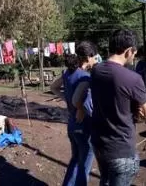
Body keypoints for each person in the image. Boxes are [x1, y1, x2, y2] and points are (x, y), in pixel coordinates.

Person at [90, 29, 146, 186]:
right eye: (134, 53)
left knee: (105, 180)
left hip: (100, 145)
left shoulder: (96, 71)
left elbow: (112, 98)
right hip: (121, 150)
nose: (134, 56)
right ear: (129, 50)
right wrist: (141, 114)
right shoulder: (133, 78)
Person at [49, 41, 98, 186]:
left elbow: (53, 87)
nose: (95, 60)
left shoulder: (67, 73)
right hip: (84, 126)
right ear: (88, 57)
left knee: (75, 159)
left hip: (71, 125)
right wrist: (80, 108)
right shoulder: (85, 77)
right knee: (84, 166)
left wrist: (66, 99)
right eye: (94, 57)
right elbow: (77, 99)